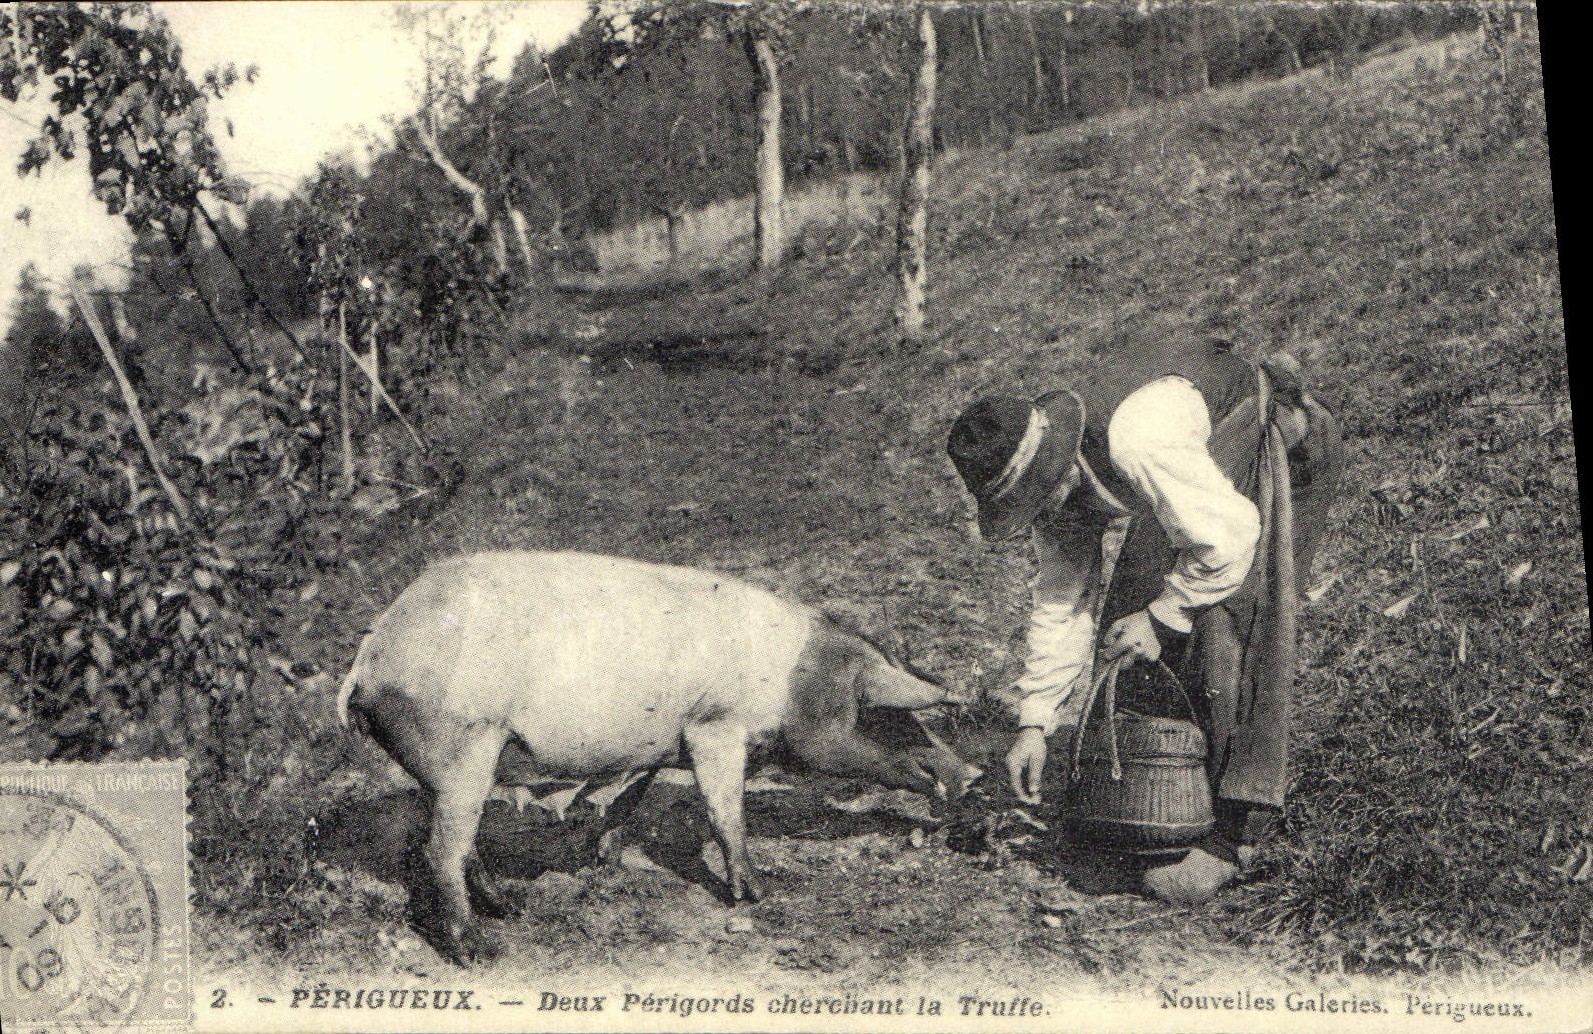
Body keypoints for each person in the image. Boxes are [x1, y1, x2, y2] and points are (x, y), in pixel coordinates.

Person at [946, 336, 1343, 903]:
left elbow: (1231, 538)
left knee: (1229, 621)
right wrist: (1034, 721)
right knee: (1124, 629)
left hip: (1272, 444)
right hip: (1194, 478)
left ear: (1058, 466)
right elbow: (1063, 599)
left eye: (1041, 496)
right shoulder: (1058, 488)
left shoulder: (1139, 439)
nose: (1044, 515)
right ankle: (1155, 807)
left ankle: (1238, 831)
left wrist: (1161, 616)